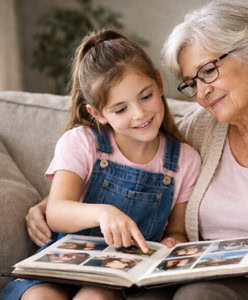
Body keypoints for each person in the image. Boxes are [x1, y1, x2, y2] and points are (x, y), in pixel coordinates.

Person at [24, 1, 248, 299]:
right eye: (192, 82)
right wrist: (51, 203)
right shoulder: (201, 127)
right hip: (202, 274)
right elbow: (134, 162)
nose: (202, 93)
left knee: (199, 296)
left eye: (209, 71)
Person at [1, 28, 200, 300]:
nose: (140, 113)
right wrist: (103, 213)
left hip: (120, 276)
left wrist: (172, 243)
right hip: (60, 266)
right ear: (97, 113)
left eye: (146, 96)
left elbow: (178, 229)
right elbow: (57, 211)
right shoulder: (82, 142)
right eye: (121, 109)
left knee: (94, 296)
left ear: (158, 82)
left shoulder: (184, 160)